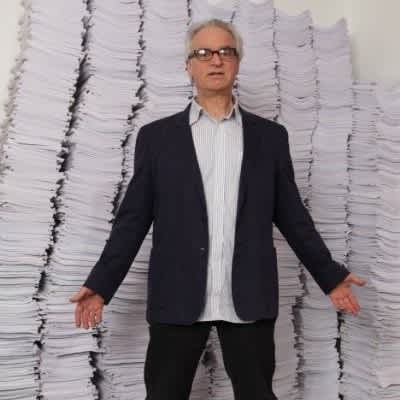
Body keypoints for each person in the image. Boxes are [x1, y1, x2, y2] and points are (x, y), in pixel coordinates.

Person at [70, 18, 366, 400]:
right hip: (177, 293)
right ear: (188, 65)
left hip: (248, 294)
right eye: (204, 52)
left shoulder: (270, 138)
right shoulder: (157, 139)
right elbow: (132, 221)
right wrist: (100, 285)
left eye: (226, 51)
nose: (216, 60)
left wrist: (330, 276)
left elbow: (294, 218)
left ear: (238, 62)